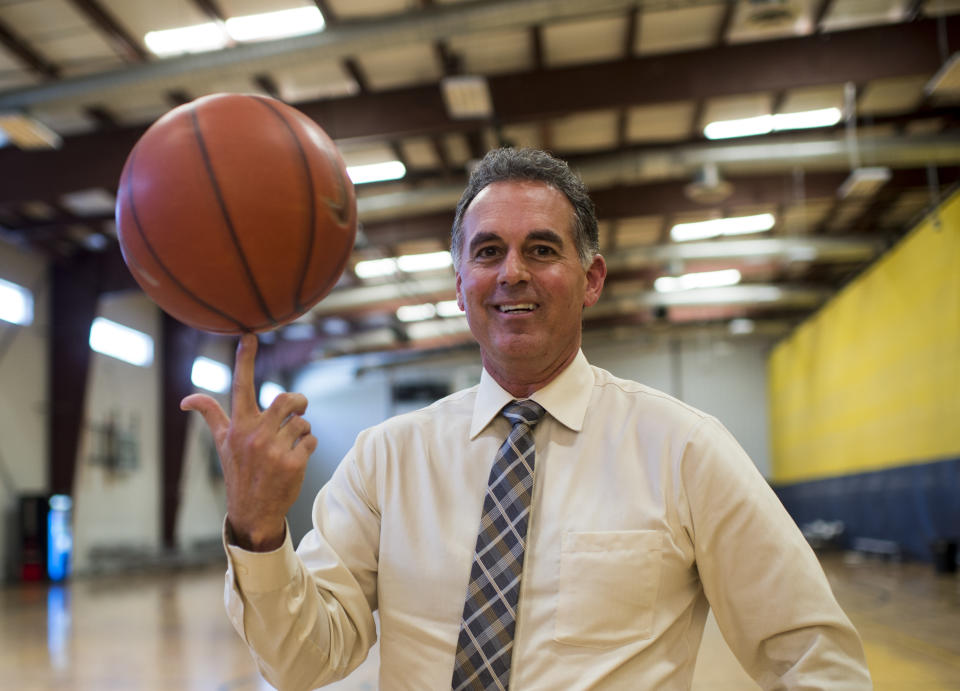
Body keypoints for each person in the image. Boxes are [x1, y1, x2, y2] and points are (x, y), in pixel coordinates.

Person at [183, 148, 872, 690]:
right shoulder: (385, 460)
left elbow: (812, 654)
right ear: (460, 286)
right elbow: (302, 661)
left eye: (541, 249)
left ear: (591, 277)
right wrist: (259, 527)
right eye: (488, 252)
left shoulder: (684, 449)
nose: (512, 272)